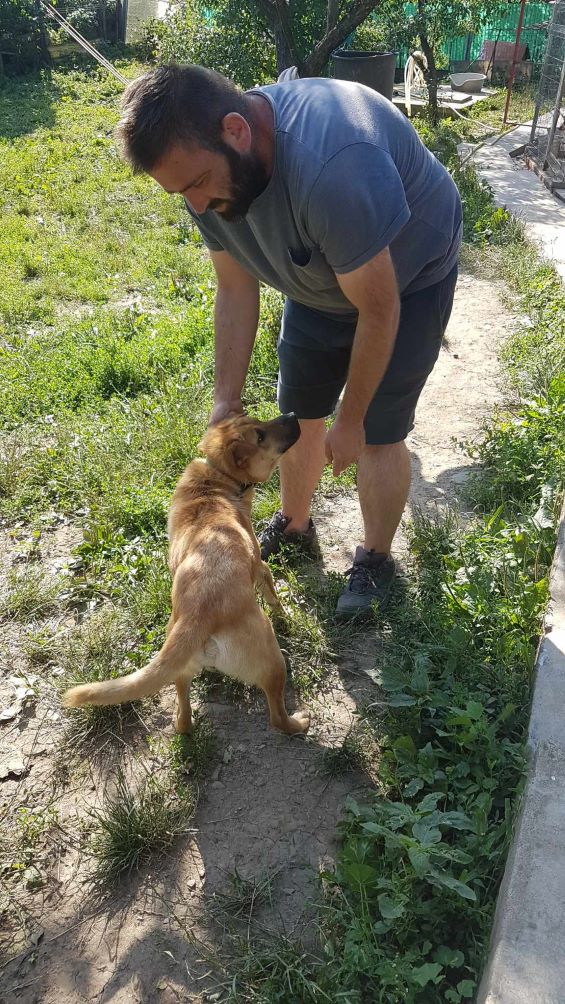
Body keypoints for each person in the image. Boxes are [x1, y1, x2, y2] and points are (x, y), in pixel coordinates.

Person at [116, 63, 462, 616]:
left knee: (379, 430)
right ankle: (296, 524)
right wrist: (226, 400)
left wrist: (351, 419)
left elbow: (378, 308)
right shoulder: (206, 178)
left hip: (407, 278)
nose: (196, 205)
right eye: (182, 192)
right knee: (296, 412)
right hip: (318, 274)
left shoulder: (333, 167)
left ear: (236, 130)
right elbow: (234, 286)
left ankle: (375, 560)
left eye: (198, 184)